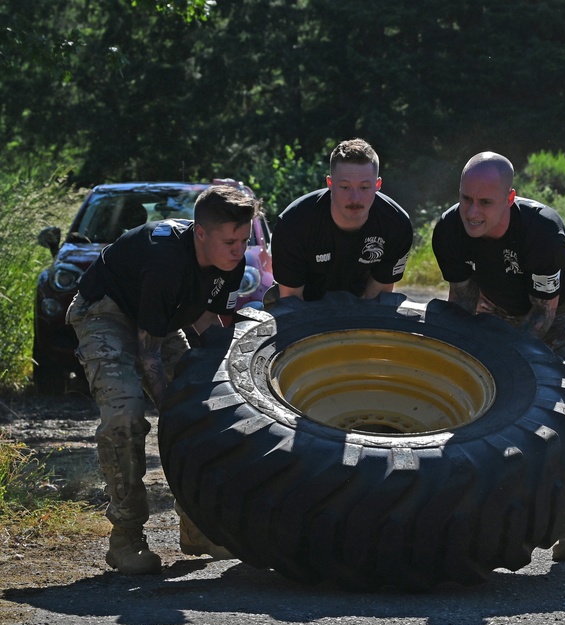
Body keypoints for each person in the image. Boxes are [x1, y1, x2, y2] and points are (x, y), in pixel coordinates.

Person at [68, 185, 261, 574]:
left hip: (161, 321)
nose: (238, 250)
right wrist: (172, 414)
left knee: (206, 412)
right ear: (200, 233)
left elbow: (211, 325)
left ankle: (198, 527)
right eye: (229, 241)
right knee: (125, 415)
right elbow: (148, 353)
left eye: (243, 240)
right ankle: (126, 537)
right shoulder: (165, 260)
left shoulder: (230, 259)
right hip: (106, 313)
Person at [432, 152, 565, 562]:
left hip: (557, 312)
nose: (472, 212)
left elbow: (544, 313)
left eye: (485, 203)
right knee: (476, 401)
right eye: (466, 199)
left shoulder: (542, 233)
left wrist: (508, 367)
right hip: (495, 307)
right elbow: (463, 303)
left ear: (510, 198)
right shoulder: (450, 231)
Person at [271, 138, 413, 301]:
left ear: (378, 184)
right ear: (330, 183)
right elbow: (292, 302)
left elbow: (378, 300)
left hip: (360, 305)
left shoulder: (397, 225)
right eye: (345, 187)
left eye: (364, 187)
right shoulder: (294, 224)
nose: (355, 198)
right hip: (304, 305)